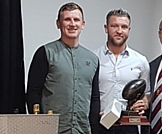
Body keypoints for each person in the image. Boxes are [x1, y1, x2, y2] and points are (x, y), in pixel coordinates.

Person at [26, 2, 100, 134]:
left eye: (76, 19)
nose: (72, 24)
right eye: (67, 19)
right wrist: (38, 126)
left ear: (83, 24)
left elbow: (94, 98)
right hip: (52, 130)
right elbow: (33, 91)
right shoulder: (45, 53)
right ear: (58, 24)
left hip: (82, 130)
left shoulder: (93, 59)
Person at [93, 9, 150, 134]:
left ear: (129, 29)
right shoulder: (93, 59)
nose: (119, 31)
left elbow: (147, 93)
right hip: (99, 125)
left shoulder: (140, 61)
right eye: (114, 26)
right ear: (106, 28)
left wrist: (143, 103)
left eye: (124, 27)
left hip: (129, 127)